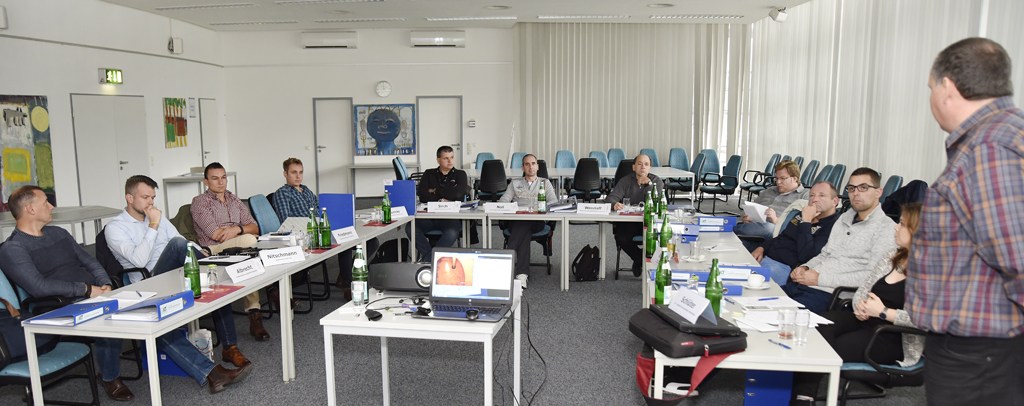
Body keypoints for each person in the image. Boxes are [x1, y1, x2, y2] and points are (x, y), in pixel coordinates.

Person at [0, 186, 250, 401]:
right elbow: (39, 287)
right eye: (46, 202)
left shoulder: (58, 233)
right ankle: (110, 377)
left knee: (152, 317)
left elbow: (89, 261)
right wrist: (87, 290)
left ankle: (211, 373)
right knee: (123, 321)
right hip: (60, 305)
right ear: (30, 209)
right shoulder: (13, 248)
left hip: (96, 293)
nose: (52, 206)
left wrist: (104, 284)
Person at [907, 38, 1024, 404]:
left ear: (947, 87)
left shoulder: (988, 149)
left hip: (980, 350)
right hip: (988, 345)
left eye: (931, 87)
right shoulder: (1007, 133)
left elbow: (1016, 255)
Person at [105, 175, 249, 368]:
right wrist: (153, 225)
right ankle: (223, 275)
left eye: (153, 197)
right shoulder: (115, 227)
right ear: (129, 198)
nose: (150, 203)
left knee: (214, 283)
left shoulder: (157, 216)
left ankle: (230, 347)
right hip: (151, 281)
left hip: (177, 270)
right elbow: (139, 260)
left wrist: (201, 253)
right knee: (179, 246)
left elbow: (184, 241)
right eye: (145, 197)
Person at [790, 203, 924, 406]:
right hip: (864, 319)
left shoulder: (932, 271)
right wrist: (860, 305)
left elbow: (926, 320)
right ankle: (804, 397)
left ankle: (802, 399)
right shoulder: (892, 255)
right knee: (818, 324)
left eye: (903, 224)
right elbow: (865, 288)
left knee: (824, 347)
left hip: (891, 336)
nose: (896, 227)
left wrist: (883, 312)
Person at [781, 167, 896, 313]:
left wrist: (820, 279)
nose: (856, 193)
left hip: (833, 296)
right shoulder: (844, 219)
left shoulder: (887, 229)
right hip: (806, 285)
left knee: (778, 314)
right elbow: (825, 254)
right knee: (760, 300)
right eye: (852, 188)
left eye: (863, 188)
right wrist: (805, 267)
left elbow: (873, 278)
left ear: (878, 192)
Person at [272, 158, 378, 300]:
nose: (298, 176)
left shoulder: (307, 190)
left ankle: (346, 274)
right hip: (307, 235)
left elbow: (321, 210)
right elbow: (286, 221)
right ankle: (348, 283)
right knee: (345, 244)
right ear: (285, 174)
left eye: (301, 172)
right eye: (293, 172)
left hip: (323, 229)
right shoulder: (282, 193)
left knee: (372, 242)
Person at [190, 162, 269, 341]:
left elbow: (254, 226)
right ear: (206, 182)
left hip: (238, 246)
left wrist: (236, 230)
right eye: (215, 178)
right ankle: (270, 291)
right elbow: (216, 235)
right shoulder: (200, 202)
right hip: (213, 250)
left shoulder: (234, 199)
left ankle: (255, 313)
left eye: (223, 177)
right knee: (250, 241)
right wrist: (244, 232)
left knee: (247, 255)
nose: (221, 182)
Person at [751, 181, 841, 285]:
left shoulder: (835, 226)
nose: (814, 199)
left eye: (822, 195)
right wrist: (762, 248)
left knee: (746, 281)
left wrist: (806, 222)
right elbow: (783, 236)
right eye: (812, 195)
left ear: (835, 201)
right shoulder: (801, 215)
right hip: (768, 257)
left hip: (786, 268)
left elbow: (807, 256)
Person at [497, 154, 560, 288]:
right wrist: (513, 207)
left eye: (533, 164)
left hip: (537, 221)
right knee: (524, 233)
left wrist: (538, 208)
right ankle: (522, 275)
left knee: (524, 226)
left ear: (537, 167)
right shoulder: (515, 183)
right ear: (523, 168)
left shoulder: (545, 183)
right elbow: (503, 201)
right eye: (527, 164)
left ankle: (505, 260)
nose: (530, 167)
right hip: (517, 220)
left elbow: (553, 202)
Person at [605, 154, 665, 276]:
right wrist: (615, 204)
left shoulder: (656, 181)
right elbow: (610, 198)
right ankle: (640, 259)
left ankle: (640, 261)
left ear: (650, 168)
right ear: (634, 167)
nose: (643, 167)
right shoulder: (625, 181)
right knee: (621, 238)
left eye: (646, 164)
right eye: (639, 164)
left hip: (650, 223)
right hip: (630, 222)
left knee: (658, 239)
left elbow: (656, 204)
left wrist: (648, 185)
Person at [735, 160, 809, 246]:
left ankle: (730, 230)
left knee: (770, 228)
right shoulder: (768, 191)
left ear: (794, 179)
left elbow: (802, 223)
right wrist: (747, 218)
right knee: (739, 244)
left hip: (778, 231)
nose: (778, 182)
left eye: (783, 178)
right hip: (756, 229)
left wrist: (777, 220)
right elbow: (753, 207)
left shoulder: (805, 196)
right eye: (777, 178)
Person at [414, 146, 469, 261]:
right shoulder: (429, 173)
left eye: (452, 157)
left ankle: (428, 260)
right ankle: (432, 259)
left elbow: (458, 194)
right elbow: (422, 195)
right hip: (429, 216)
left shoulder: (460, 174)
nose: (450, 161)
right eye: (446, 158)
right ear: (438, 160)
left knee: (451, 232)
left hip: (450, 217)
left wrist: (433, 191)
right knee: (411, 228)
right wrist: (443, 199)